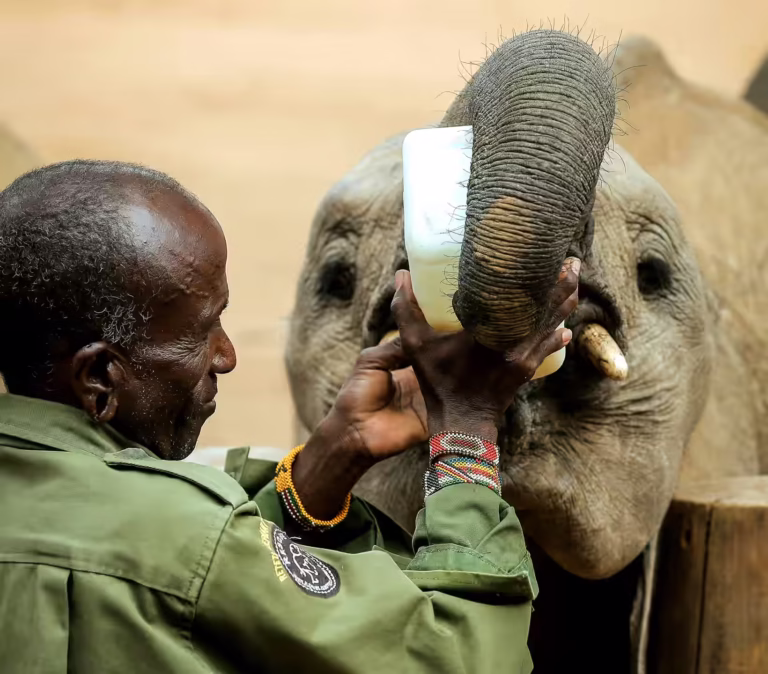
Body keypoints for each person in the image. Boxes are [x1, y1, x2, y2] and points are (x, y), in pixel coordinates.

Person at [0, 160, 578, 673]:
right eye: (203, 333)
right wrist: (467, 431)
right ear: (99, 377)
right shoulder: (181, 539)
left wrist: (335, 454)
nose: (227, 357)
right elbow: (465, 658)